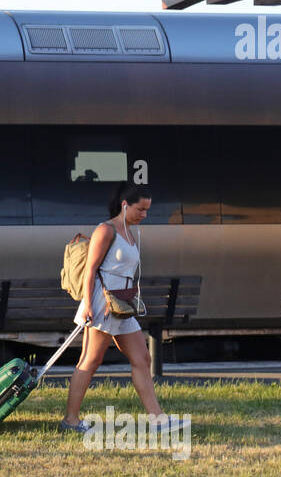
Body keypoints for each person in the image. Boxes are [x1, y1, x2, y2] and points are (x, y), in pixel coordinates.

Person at [59, 181, 188, 435]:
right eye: (140, 209)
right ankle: (70, 421)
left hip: (122, 305)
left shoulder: (132, 232)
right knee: (90, 360)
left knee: (142, 358)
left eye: (147, 210)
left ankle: (158, 420)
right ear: (125, 205)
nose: (144, 215)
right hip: (102, 305)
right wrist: (87, 306)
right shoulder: (106, 230)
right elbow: (90, 270)